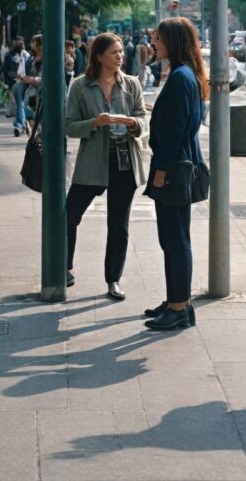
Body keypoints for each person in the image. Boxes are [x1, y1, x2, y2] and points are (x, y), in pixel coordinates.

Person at [65, 33, 148, 300]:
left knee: (118, 224)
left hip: (124, 159)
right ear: (98, 56)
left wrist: (132, 124)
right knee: (68, 215)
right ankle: (65, 267)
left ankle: (113, 280)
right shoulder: (80, 86)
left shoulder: (132, 84)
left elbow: (143, 119)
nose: (120, 56)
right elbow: (69, 127)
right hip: (93, 160)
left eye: (121, 51)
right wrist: (94, 123)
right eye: (114, 52)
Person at [143, 17, 208, 330]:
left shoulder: (182, 77)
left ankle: (179, 306)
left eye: (160, 38)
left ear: (174, 41)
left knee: (175, 238)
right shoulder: (185, 74)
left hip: (174, 167)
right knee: (172, 238)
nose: (155, 42)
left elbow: (176, 129)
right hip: (179, 164)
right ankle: (176, 300)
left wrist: (162, 169)